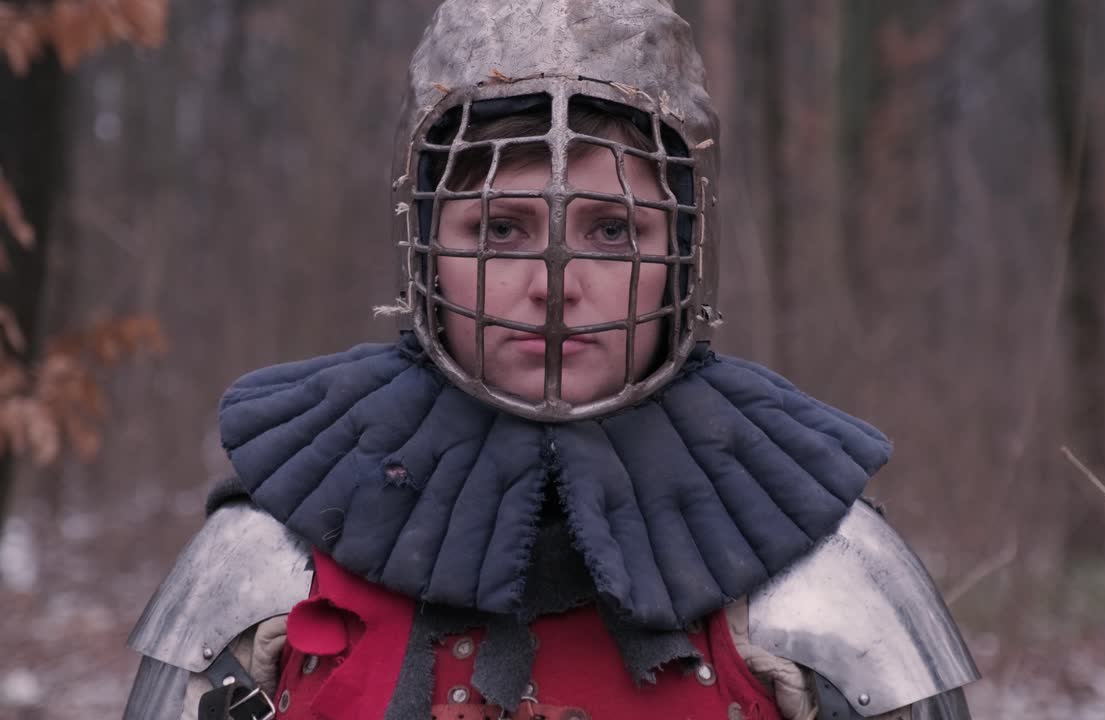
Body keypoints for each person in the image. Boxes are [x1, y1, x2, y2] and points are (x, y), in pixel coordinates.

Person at [122, 1, 980, 718]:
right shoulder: (267, 562)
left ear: (680, 247)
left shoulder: (824, 572)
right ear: (425, 246)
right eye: (500, 229)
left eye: (612, 231)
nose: (555, 283)